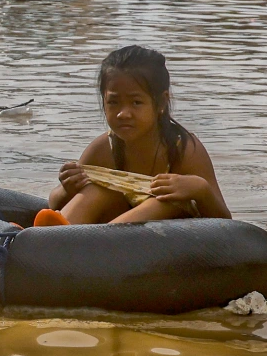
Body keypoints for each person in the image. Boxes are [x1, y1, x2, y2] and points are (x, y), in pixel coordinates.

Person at [38, 45, 230, 226]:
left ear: (161, 103)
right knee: (98, 189)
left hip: (163, 238)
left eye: (136, 102)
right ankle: (51, 238)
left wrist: (200, 189)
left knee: (164, 200)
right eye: (113, 102)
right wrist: (66, 189)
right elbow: (54, 203)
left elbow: (226, 222)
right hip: (108, 233)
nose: (123, 114)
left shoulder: (184, 149)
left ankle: (88, 242)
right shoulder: (104, 149)